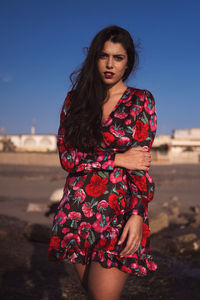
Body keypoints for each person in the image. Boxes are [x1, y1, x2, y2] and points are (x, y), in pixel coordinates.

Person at [48, 25, 157, 300]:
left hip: (119, 214)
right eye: (103, 56)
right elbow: (68, 157)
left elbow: (141, 166)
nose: (109, 64)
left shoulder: (141, 101)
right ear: (94, 58)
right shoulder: (75, 101)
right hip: (76, 213)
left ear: (128, 61)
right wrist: (118, 158)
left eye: (118, 57)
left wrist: (137, 215)